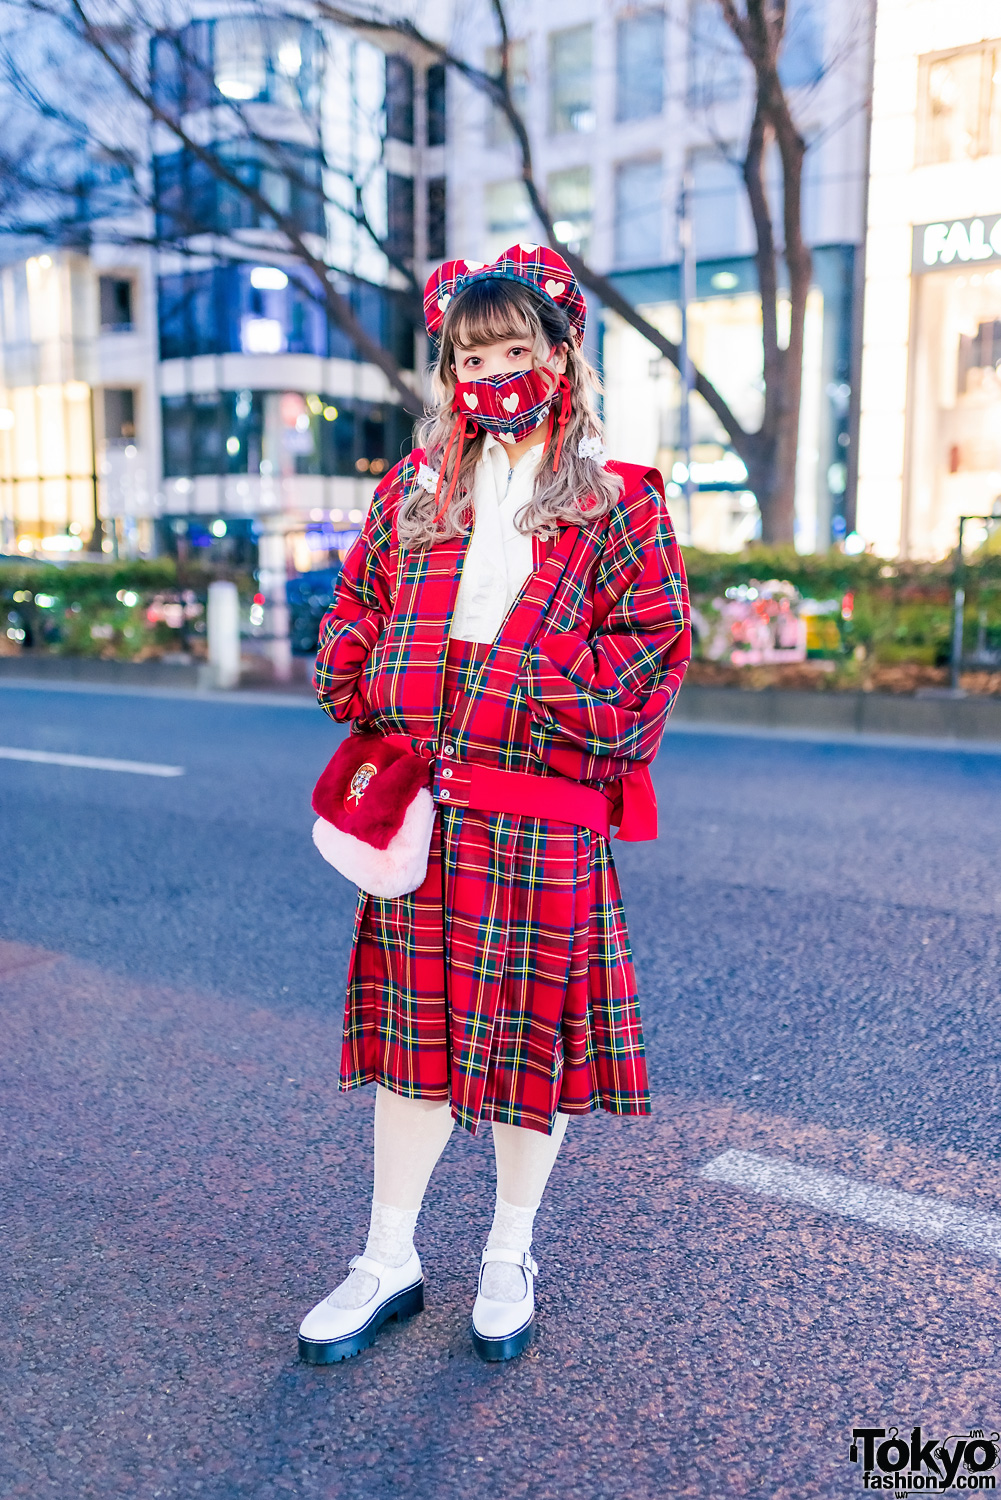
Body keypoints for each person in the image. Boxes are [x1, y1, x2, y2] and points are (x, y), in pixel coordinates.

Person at [298, 244, 690, 1365]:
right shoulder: (410, 494)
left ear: (562, 353)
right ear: (448, 366)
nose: (494, 370)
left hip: (541, 812)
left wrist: (533, 687)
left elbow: (651, 651)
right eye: (472, 351)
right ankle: (387, 1256)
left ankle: (507, 1251)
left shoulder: (619, 502)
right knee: (414, 1042)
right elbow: (349, 617)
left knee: (527, 1045)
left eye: (517, 346)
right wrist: (373, 674)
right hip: (427, 810)